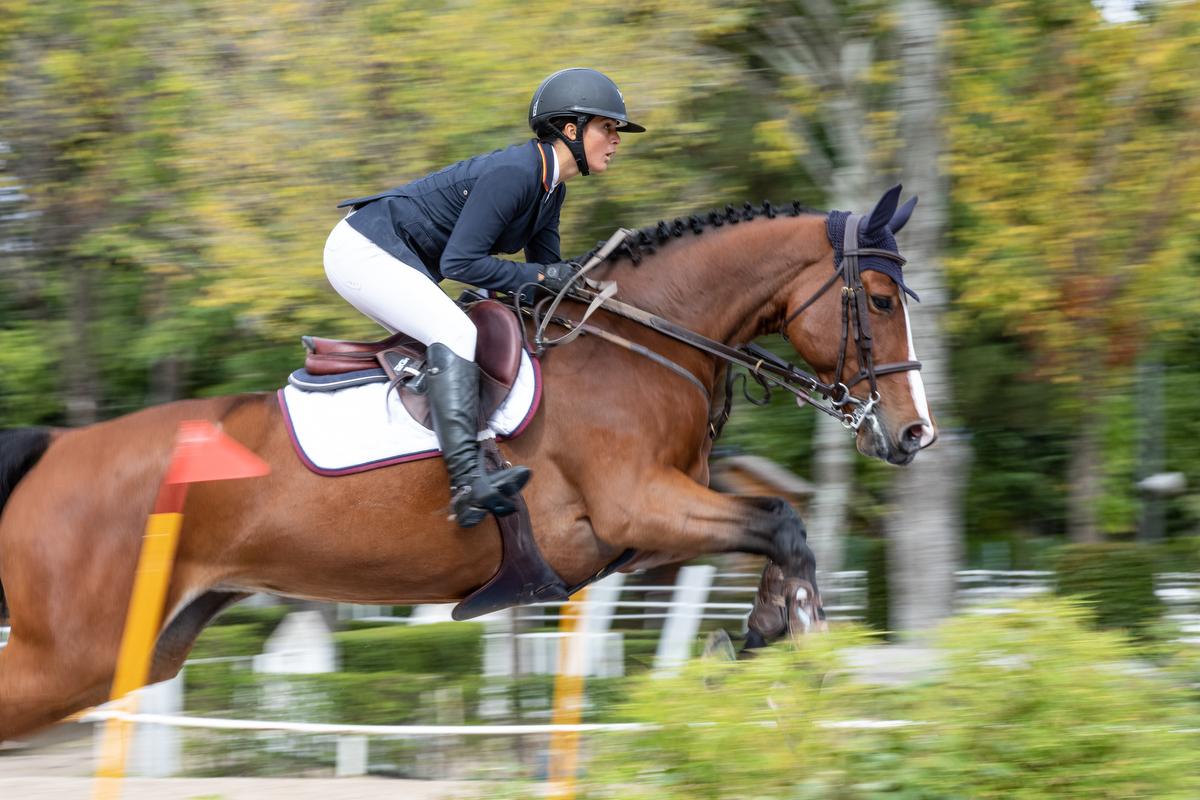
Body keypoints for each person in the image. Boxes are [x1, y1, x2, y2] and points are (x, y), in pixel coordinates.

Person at [324, 68, 645, 528]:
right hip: (363, 250)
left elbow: (542, 285)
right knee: (455, 331)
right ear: (570, 130)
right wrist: (546, 275)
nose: (616, 140)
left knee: (480, 330)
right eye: (607, 127)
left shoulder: (550, 191)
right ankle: (468, 481)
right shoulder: (516, 173)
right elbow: (461, 265)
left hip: (394, 257)